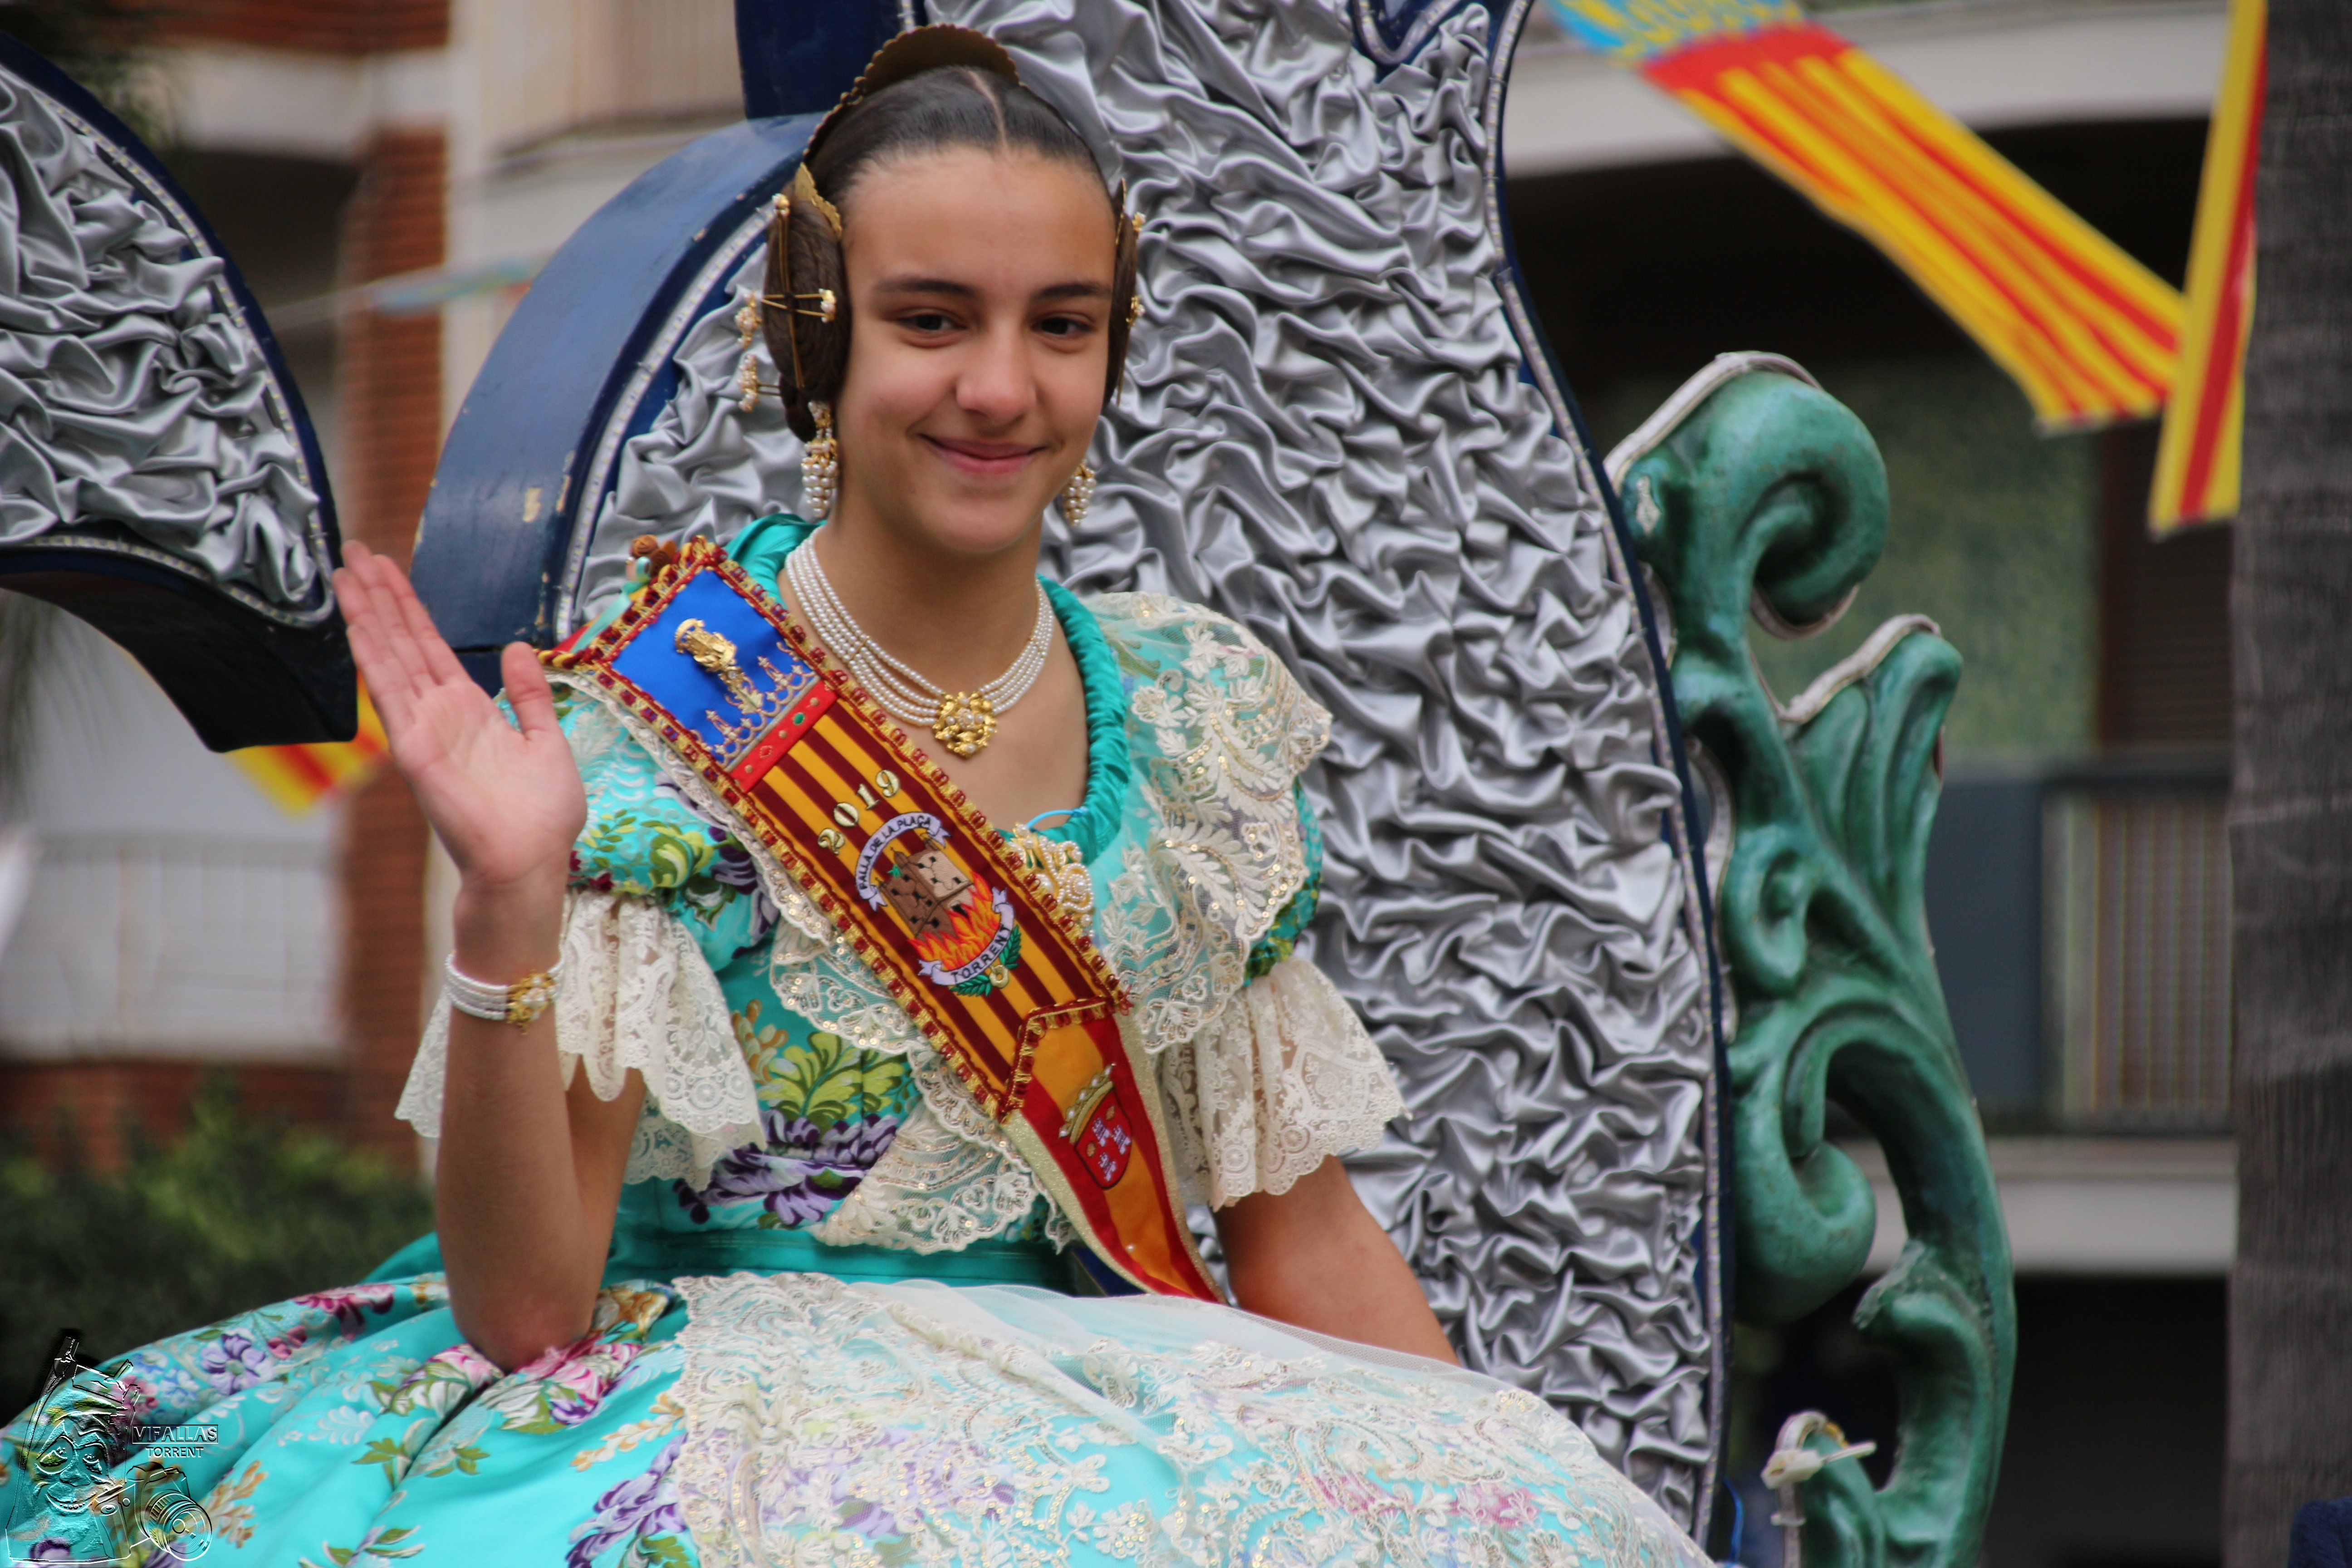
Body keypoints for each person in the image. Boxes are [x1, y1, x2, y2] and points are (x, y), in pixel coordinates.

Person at [2, 28, 1708, 1567]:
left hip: (1107, 1412)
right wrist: (509, 904)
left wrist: (1494, 1486)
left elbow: (1299, 1232)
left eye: (1062, 325)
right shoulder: (656, 736)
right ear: (815, 334)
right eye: (932, 319)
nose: (999, 388)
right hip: (710, 1426)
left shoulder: (1193, 728)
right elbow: (528, 1311)